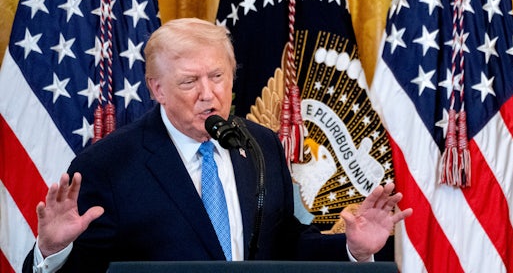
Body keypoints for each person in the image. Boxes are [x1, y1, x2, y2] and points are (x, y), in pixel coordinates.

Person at [24, 18, 412, 273]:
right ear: (157, 89)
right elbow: (86, 268)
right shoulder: (108, 165)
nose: (208, 94)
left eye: (217, 76)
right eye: (189, 82)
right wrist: (51, 251)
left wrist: (353, 249)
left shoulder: (260, 146)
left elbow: (282, 244)